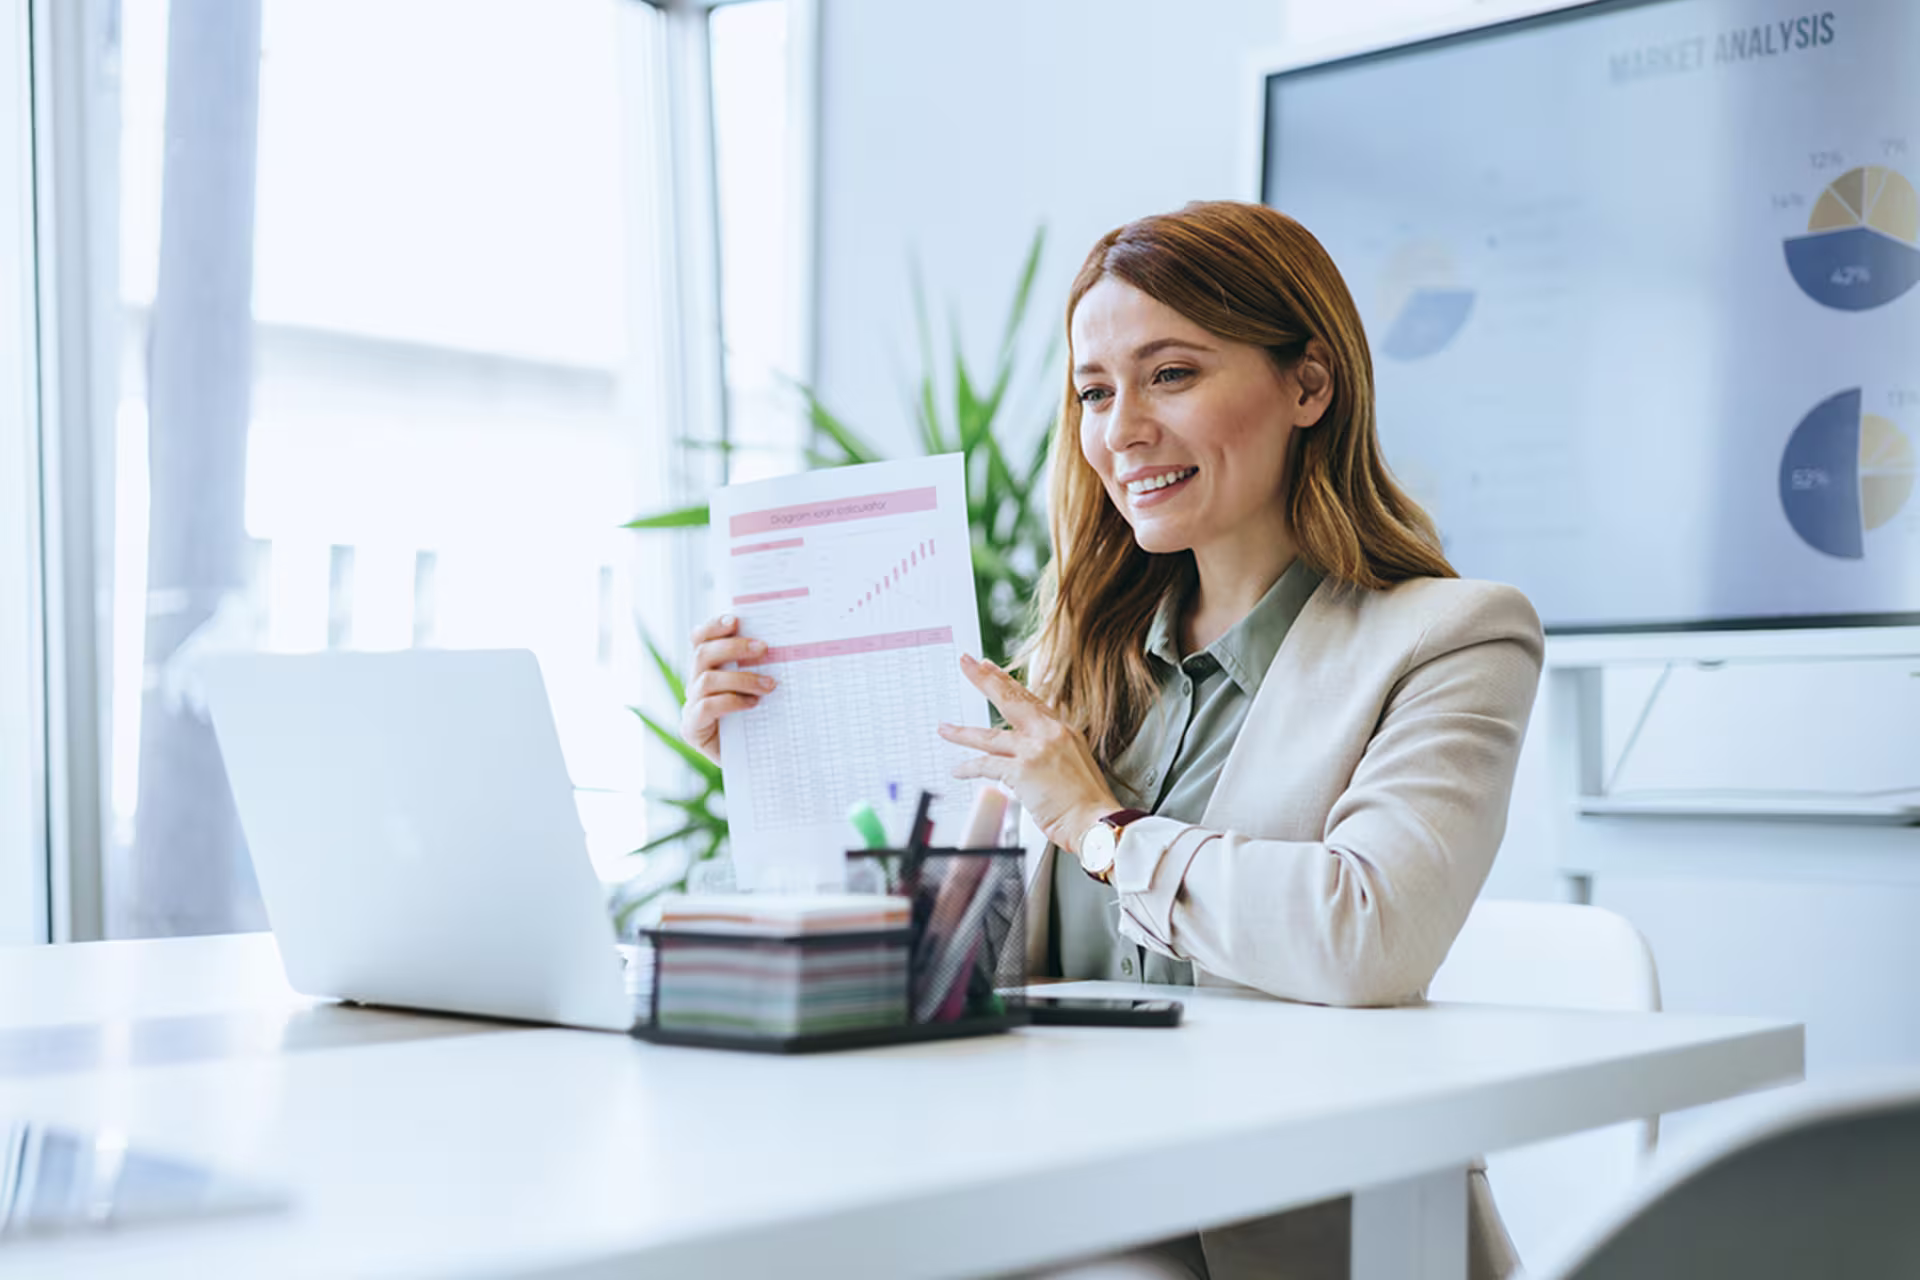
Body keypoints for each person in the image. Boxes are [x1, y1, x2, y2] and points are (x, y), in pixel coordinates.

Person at [683, 201, 1543, 1280]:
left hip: (1321, 1242)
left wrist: (1102, 826)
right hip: (1072, 1223)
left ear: (1309, 385)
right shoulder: (1073, 660)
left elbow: (1365, 933)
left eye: (1171, 374)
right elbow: (953, 972)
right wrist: (780, 765)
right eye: (1095, 391)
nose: (1120, 428)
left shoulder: (1452, 636)